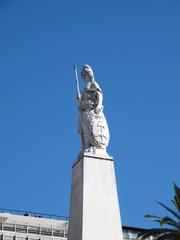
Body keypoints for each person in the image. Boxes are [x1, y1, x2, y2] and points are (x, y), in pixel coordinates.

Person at [77, 65, 109, 155]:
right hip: (83, 111)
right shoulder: (84, 88)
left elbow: (99, 94)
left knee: (90, 128)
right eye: (84, 75)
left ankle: (95, 146)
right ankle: (85, 147)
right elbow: (83, 98)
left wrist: (98, 105)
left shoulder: (94, 84)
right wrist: (80, 98)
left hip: (91, 110)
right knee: (83, 131)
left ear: (89, 74)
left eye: (86, 74)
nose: (85, 76)